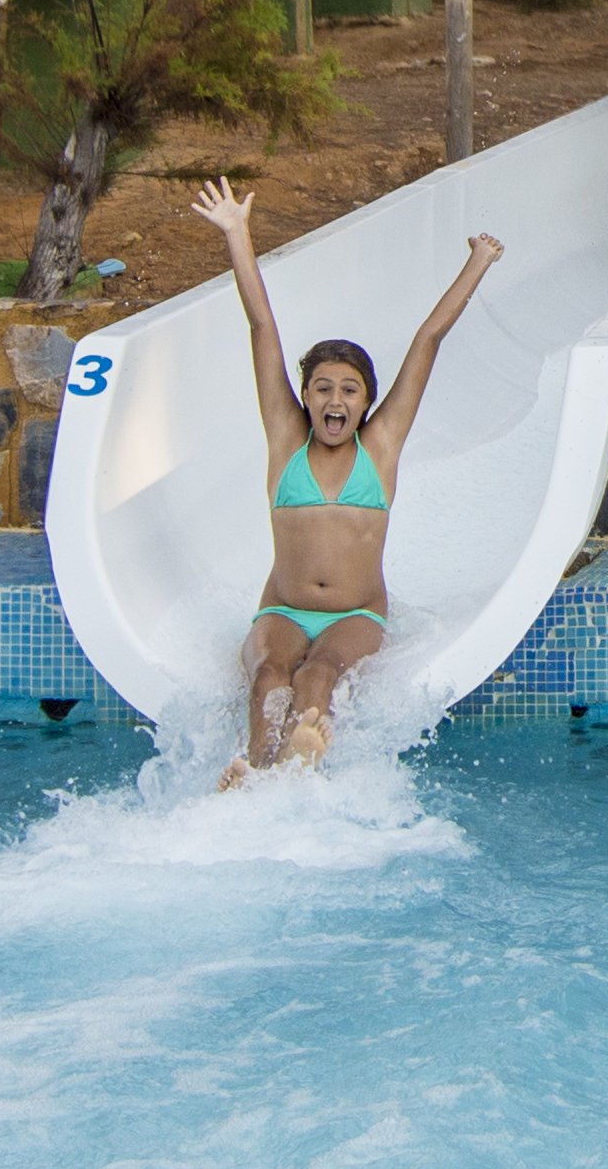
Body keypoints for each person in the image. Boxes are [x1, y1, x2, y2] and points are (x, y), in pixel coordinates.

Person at [190, 177, 505, 779]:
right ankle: (255, 770)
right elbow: (261, 328)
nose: (336, 400)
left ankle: (302, 753)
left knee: (318, 672)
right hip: (282, 610)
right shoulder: (286, 438)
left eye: (350, 390)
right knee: (267, 676)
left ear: (366, 402)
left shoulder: (380, 446)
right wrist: (237, 234)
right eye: (323, 388)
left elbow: (428, 339)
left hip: (356, 616)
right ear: (305, 397)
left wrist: (479, 262)